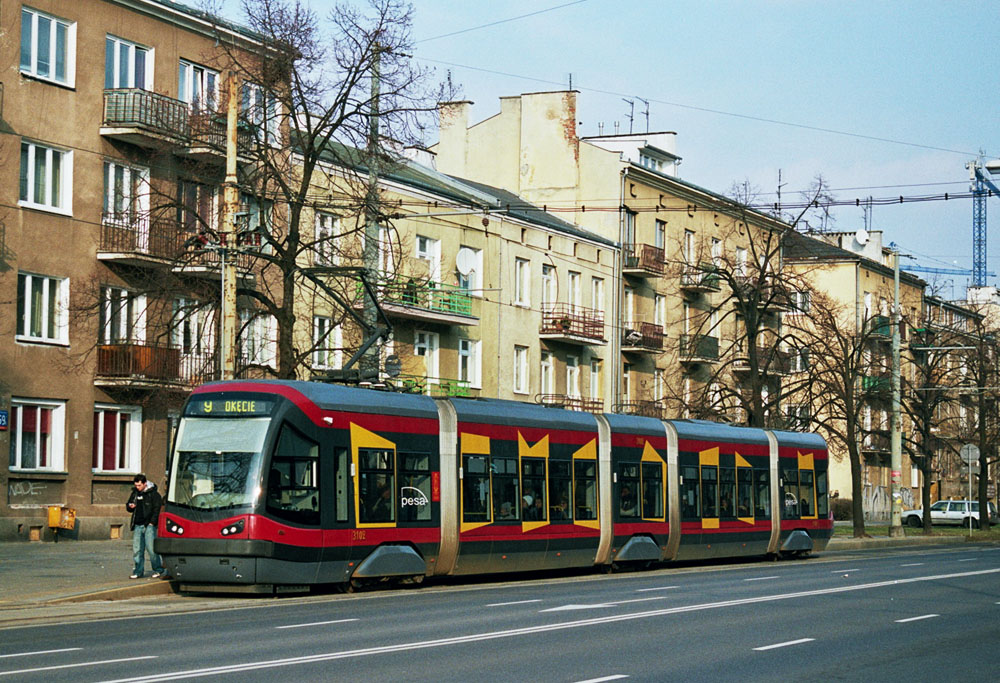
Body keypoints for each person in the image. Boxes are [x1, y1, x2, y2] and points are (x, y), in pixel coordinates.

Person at [126, 474, 167, 579]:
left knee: (151, 550)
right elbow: (128, 505)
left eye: (139, 485)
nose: (137, 487)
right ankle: (138, 571)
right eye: (136, 485)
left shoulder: (153, 494)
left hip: (149, 525)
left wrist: (152, 523)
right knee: (137, 550)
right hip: (137, 525)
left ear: (145, 484)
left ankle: (158, 569)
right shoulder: (135, 493)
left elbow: (156, 509)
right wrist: (130, 506)